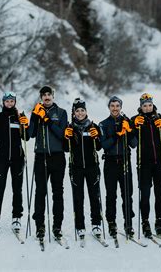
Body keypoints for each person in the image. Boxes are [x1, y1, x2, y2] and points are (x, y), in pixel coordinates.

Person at [0, 91, 30, 237]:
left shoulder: (20, 117)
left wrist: (25, 126)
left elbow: (26, 137)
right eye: (7, 101)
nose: (9, 103)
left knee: (17, 189)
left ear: (15, 102)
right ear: (3, 102)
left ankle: (17, 218)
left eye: (12, 101)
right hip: (1, 159)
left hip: (17, 158)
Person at [28, 86, 68, 240]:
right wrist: (34, 117)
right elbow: (30, 134)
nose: (46, 97)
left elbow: (63, 135)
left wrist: (48, 120)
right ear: (41, 97)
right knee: (40, 192)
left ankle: (57, 226)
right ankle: (40, 225)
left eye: (49, 94)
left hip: (57, 157)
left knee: (58, 192)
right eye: (43, 95)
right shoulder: (37, 112)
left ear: (53, 96)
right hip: (41, 156)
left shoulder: (61, 113)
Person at [63, 98, 103, 239]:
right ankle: (80, 226)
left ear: (86, 111)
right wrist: (66, 137)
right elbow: (65, 149)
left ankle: (96, 223)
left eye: (82, 110)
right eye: (77, 111)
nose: (80, 113)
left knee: (94, 196)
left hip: (92, 167)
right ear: (73, 113)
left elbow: (99, 147)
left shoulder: (93, 126)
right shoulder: (70, 128)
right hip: (76, 168)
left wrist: (96, 137)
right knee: (78, 198)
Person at [99, 96, 137, 238]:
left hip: (124, 161)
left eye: (117, 106)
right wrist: (117, 135)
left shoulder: (127, 122)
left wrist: (129, 130)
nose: (115, 108)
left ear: (121, 107)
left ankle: (128, 224)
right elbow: (103, 145)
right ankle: (111, 223)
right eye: (112, 106)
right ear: (109, 107)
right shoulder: (103, 124)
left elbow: (134, 144)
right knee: (111, 195)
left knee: (127, 194)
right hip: (110, 162)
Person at [131, 93, 161, 238]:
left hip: (159, 162)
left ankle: (159, 222)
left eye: (149, 105)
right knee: (145, 194)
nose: (147, 108)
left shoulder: (159, 117)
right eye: (144, 105)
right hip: (144, 163)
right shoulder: (135, 119)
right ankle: (145, 222)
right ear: (140, 106)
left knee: (159, 194)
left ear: (153, 105)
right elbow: (132, 143)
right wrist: (134, 127)